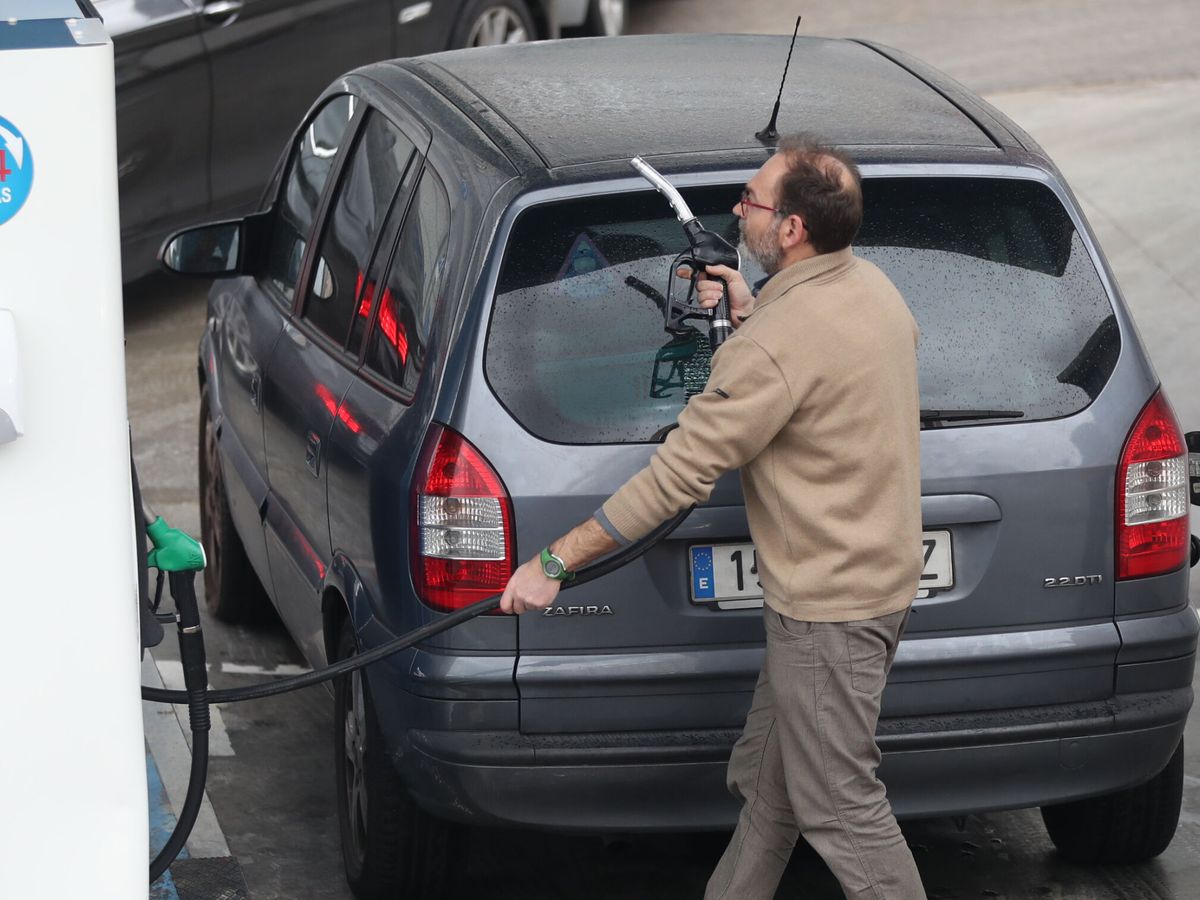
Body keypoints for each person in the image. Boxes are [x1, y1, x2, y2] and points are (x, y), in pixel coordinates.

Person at [499, 134, 926, 900]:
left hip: (829, 616)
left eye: (752, 199)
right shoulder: (872, 291)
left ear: (791, 229)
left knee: (839, 807)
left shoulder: (773, 348)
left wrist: (553, 564)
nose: (738, 208)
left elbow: (674, 479)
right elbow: (814, 365)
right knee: (769, 790)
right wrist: (750, 312)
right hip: (869, 594)